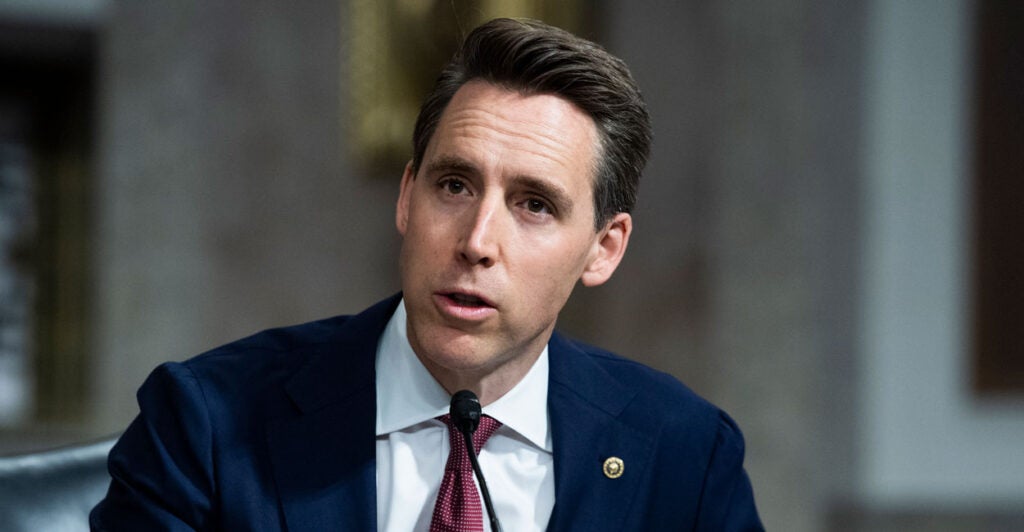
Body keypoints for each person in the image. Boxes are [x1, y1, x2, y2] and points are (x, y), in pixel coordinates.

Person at [90, 18, 762, 531]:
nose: (477, 242)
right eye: (454, 185)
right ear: (407, 197)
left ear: (603, 249)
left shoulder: (686, 456)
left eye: (534, 204)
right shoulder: (206, 425)